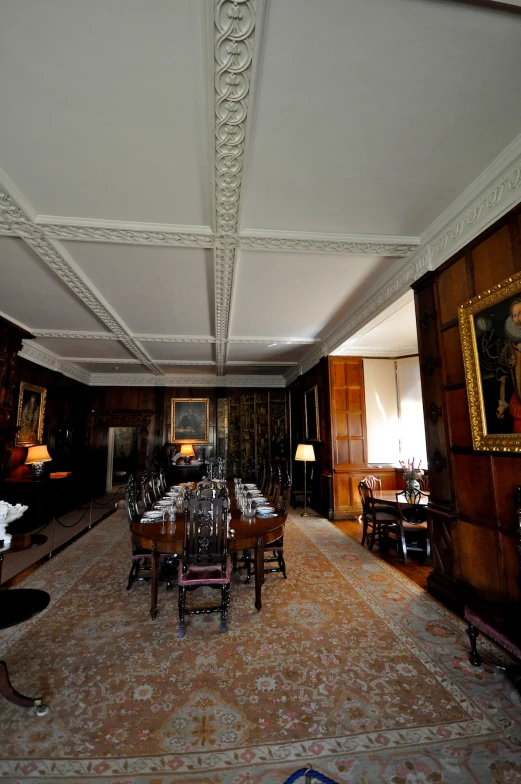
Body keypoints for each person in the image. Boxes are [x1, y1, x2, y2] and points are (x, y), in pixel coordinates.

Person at [496, 297, 521, 432]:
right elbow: (503, 376)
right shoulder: (508, 349)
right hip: (519, 407)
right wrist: (502, 404)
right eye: (515, 316)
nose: (518, 319)